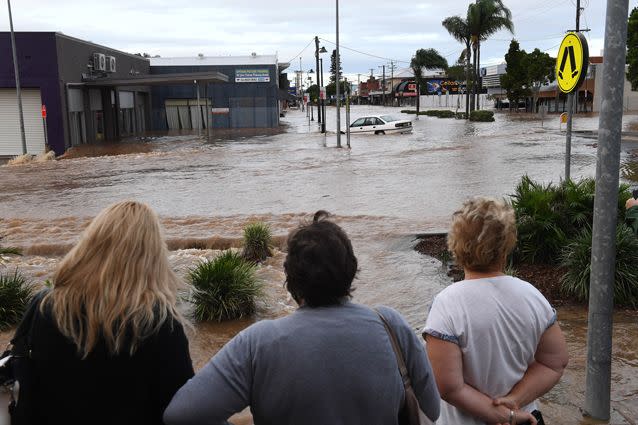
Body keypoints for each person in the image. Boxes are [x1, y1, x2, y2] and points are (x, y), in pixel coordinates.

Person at [164, 210, 440, 425]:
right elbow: (432, 407)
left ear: (290, 279)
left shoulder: (259, 342)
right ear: (352, 270)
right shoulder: (391, 325)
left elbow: (182, 414)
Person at [20, 200, 194, 425]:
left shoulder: (44, 307)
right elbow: (185, 410)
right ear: (151, 255)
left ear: (90, 244)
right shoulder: (158, 323)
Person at [423, 197, 569, 425]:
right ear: (506, 247)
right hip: (525, 418)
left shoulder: (447, 304)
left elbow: (448, 386)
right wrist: (513, 400)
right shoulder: (532, 295)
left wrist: (502, 415)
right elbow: (554, 362)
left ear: (455, 247)